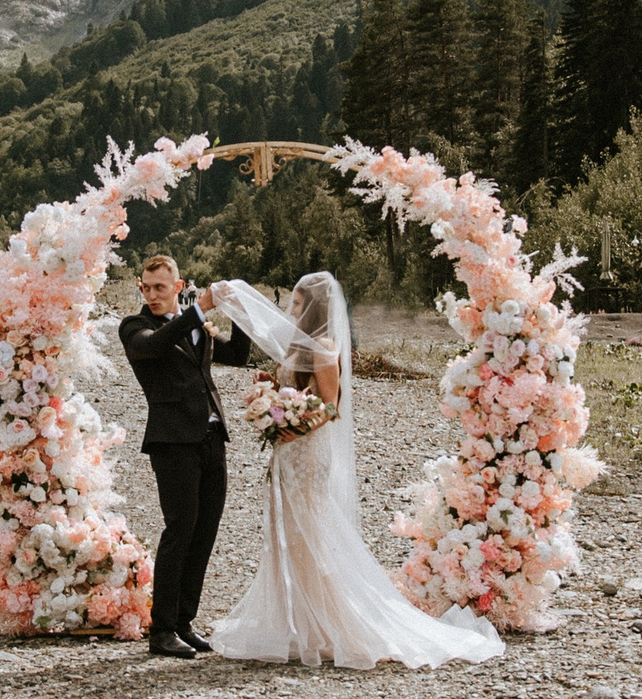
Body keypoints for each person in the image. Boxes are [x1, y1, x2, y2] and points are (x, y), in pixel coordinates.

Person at [205, 274, 503, 670]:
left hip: (308, 452)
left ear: (315, 309)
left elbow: (330, 405)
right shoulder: (298, 345)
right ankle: (299, 621)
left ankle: (332, 624)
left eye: (298, 304)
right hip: (286, 451)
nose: (291, 309)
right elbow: (297, 390)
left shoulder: (325, 348)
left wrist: (293, 426)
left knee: (309, 532)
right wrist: (270, 389)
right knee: (286, 532)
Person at [119, 255, 252, 659]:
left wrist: (240, 313)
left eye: (160, 287)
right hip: (172, 442)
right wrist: (200, 309)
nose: (152, 294)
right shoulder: (135, 326)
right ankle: (161, 630)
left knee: (205, 531)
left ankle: (183, 622)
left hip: (212, 439)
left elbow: (238, 356)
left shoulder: (197, 326)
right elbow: (155, 345)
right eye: (146, 287)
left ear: (178, 286)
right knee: (180, 530)